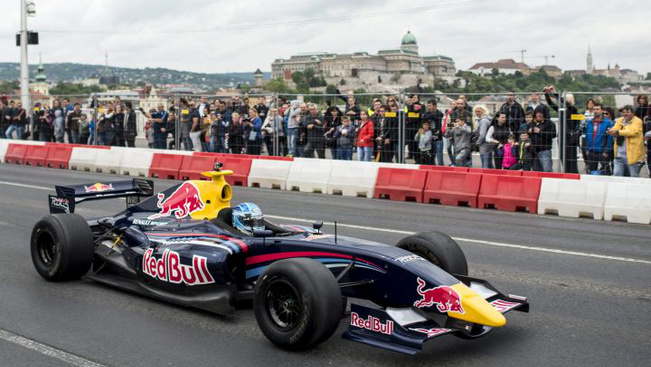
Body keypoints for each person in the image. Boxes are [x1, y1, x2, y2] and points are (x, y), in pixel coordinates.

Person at [545, 87, 581, 173]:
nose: (565, 101)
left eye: (566, 99)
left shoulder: (573, 110)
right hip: (561, 137)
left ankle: (573, 175)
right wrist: (546, 94)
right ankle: (567, 174)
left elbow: (565, 103)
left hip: (570, 139)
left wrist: (554, 93)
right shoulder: (562, 111)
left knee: (571, 160)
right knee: (563, 159)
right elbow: (551, 104)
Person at [608, 105, 645, 177]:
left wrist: (618, 132)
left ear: (633, 113)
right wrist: (611, 131)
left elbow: (633, 132)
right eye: (623, 112)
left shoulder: (638, 121)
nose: (625, 114)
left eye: (627, 112)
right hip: (619, 154)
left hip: (632, 155)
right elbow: (614, 129)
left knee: (634, 176)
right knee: (616, 175)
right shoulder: (620, 120)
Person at [584, 103, 613, 174]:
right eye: (594, 109)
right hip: (591, 151)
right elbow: (587, 136)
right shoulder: (589, 122)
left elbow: (610, 138)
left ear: (602, 111)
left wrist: (606, 151)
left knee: (606, 171)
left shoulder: (607, 122)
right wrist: (586, 149)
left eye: (597, 109)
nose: (595, 111)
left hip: (602, 152)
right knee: (592, 172)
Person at [422, 100, 444, 165]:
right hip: (429, 139)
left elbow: (439, 115)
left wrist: (429, 116)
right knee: (431, 157)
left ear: (435, 106)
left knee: (439, 157)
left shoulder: (439, 113)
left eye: (430, 106)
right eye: (428, 106)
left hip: (438, 139)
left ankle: (441, 169)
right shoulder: (427, 113)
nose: (428, 107)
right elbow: (424, 117)